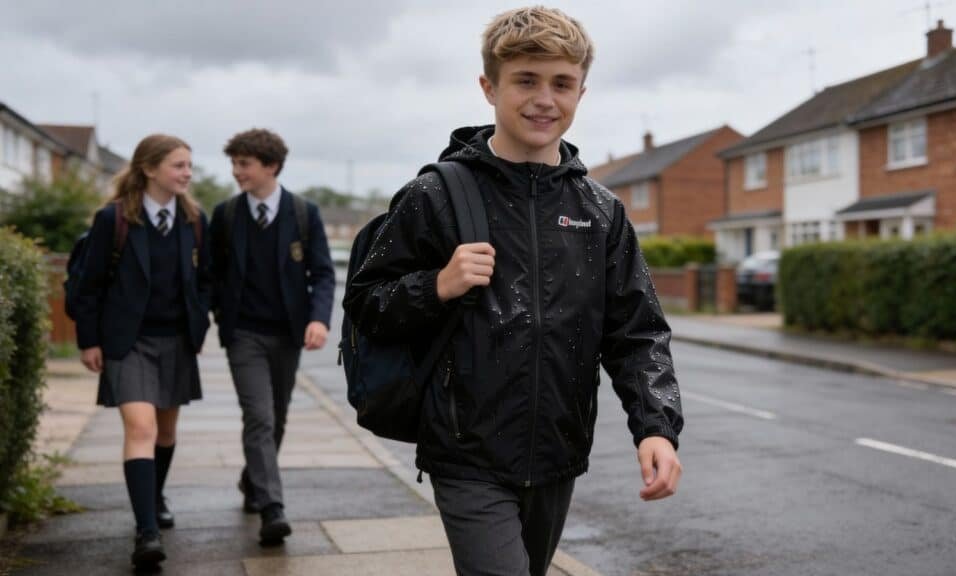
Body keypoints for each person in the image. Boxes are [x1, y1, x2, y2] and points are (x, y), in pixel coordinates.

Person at [342, 7, 684, 575]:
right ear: (489, 87)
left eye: (562, 84)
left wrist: (657, 428)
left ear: (581, 92)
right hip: (465, 451)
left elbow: (637, 332)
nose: (544, 99)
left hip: (558, 453)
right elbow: (365, 303)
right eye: (526, 80)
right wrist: (437, 285)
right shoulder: (435, 195)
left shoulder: (601, 211)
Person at [74, 134, 210, 569]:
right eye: (178, 165)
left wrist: (200, 322)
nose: (187, 173)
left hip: (177, 341)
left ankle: (154, 497)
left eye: (189, 166)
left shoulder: (195, 220)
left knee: (166, 433)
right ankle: (146, 531)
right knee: (141, 428)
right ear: (149, 169)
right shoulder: (112, 219)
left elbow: (205, 281)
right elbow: (88, 285)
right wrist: (89, 340)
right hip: (127, 342)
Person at [209, 128, 335, 545]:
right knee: (259, 416)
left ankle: (253, 480)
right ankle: (272, 507)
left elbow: (322, 273)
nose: (236, 171)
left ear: (271, 166)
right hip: (243, 334)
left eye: (243, 164)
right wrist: (217, 314)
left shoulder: (304, 213)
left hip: (287, 335)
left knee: (276, 417)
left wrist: (319, 320)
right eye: (234, 163)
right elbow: (210, 274)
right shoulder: (226, 215)